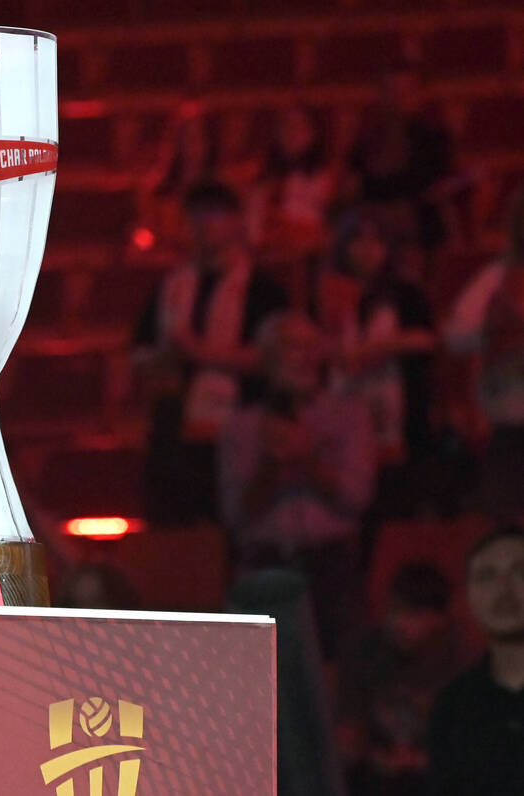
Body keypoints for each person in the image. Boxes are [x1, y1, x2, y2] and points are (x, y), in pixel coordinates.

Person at [218, 311, 376, 655]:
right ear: (267, 358)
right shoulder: (241, 426)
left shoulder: (349, 415)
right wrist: (271, 465)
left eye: (310, 347)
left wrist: (306, 461)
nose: (303, 358)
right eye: (291, 347)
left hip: (332, 570)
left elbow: (357, 496)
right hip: (266, 567)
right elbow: (236, 514)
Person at [132, 180, 288, 524]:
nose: (204, 223)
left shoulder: (263, 289)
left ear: (236, 220)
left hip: (241, 423)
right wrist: (165, 356)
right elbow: (141, 352)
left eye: (215, 214)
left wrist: (200, 352)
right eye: (196, 215)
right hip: (176, 427)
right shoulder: (172, 285)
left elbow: (276, 358)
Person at [322, 210, 435, 472]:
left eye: (375, 240)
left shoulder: (406, 291)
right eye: (358, 240)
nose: (367, 249)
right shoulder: (325, 292)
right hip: (342, 391)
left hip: (395, 393)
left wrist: (378, 347)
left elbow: (426, 339)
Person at [337, 562, 460, 796]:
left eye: (413, 614)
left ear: (439, 619)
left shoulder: (460, 665)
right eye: (393, 610)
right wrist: (364, 752)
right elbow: (347, 733)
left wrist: (419, 760)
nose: (398, 623)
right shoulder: (365, 653)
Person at [427, 525, 524, 795]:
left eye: (520, 572)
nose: (504, 589)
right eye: (486, 577)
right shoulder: (453, 707)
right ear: (469, 597)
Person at [446, 187, 524, 517]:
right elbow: (456, 336)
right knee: (504, 530)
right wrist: (497, 329)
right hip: (510, 429)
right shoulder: (497, 276)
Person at [346, 62, 453, 252]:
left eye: (406, 91)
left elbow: (422, 183)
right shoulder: (369, 134)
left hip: (416, 219)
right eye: (392, 90)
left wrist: (374, 187)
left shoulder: (434, 135)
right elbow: (355, 177)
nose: (399, 98)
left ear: (419, 93)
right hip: (370, 220)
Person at [259, 105, 334, 254]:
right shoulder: (263, 177)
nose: (291, 133)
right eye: (285, 126)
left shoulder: (326, 178)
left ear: (313, 133)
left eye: (299, 127)